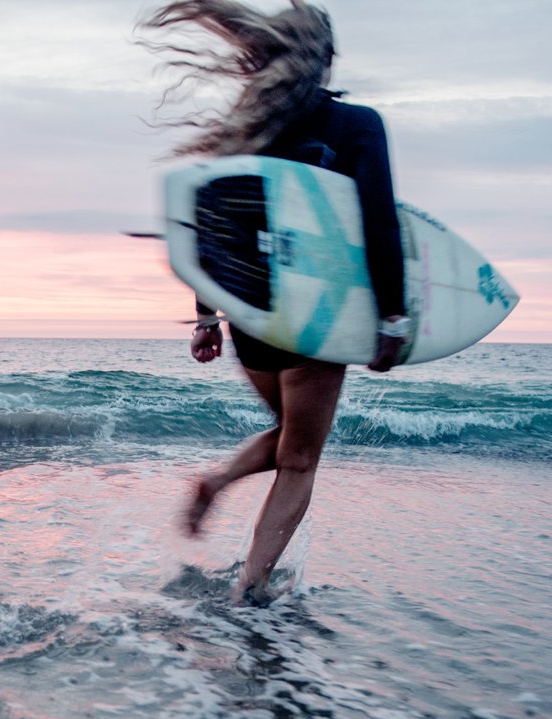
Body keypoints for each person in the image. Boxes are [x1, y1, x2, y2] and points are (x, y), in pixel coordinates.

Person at [143, 0, 411, 605]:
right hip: (320, 311)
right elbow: (378, 224)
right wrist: (392, 316)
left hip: (252, 316)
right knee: (300, 456)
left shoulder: (245, 129)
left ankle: (218, 482)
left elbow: (211, 227)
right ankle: (250, 586)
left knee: (289, 434)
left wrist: (207, 314)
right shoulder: (357, 125)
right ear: (325, 60)